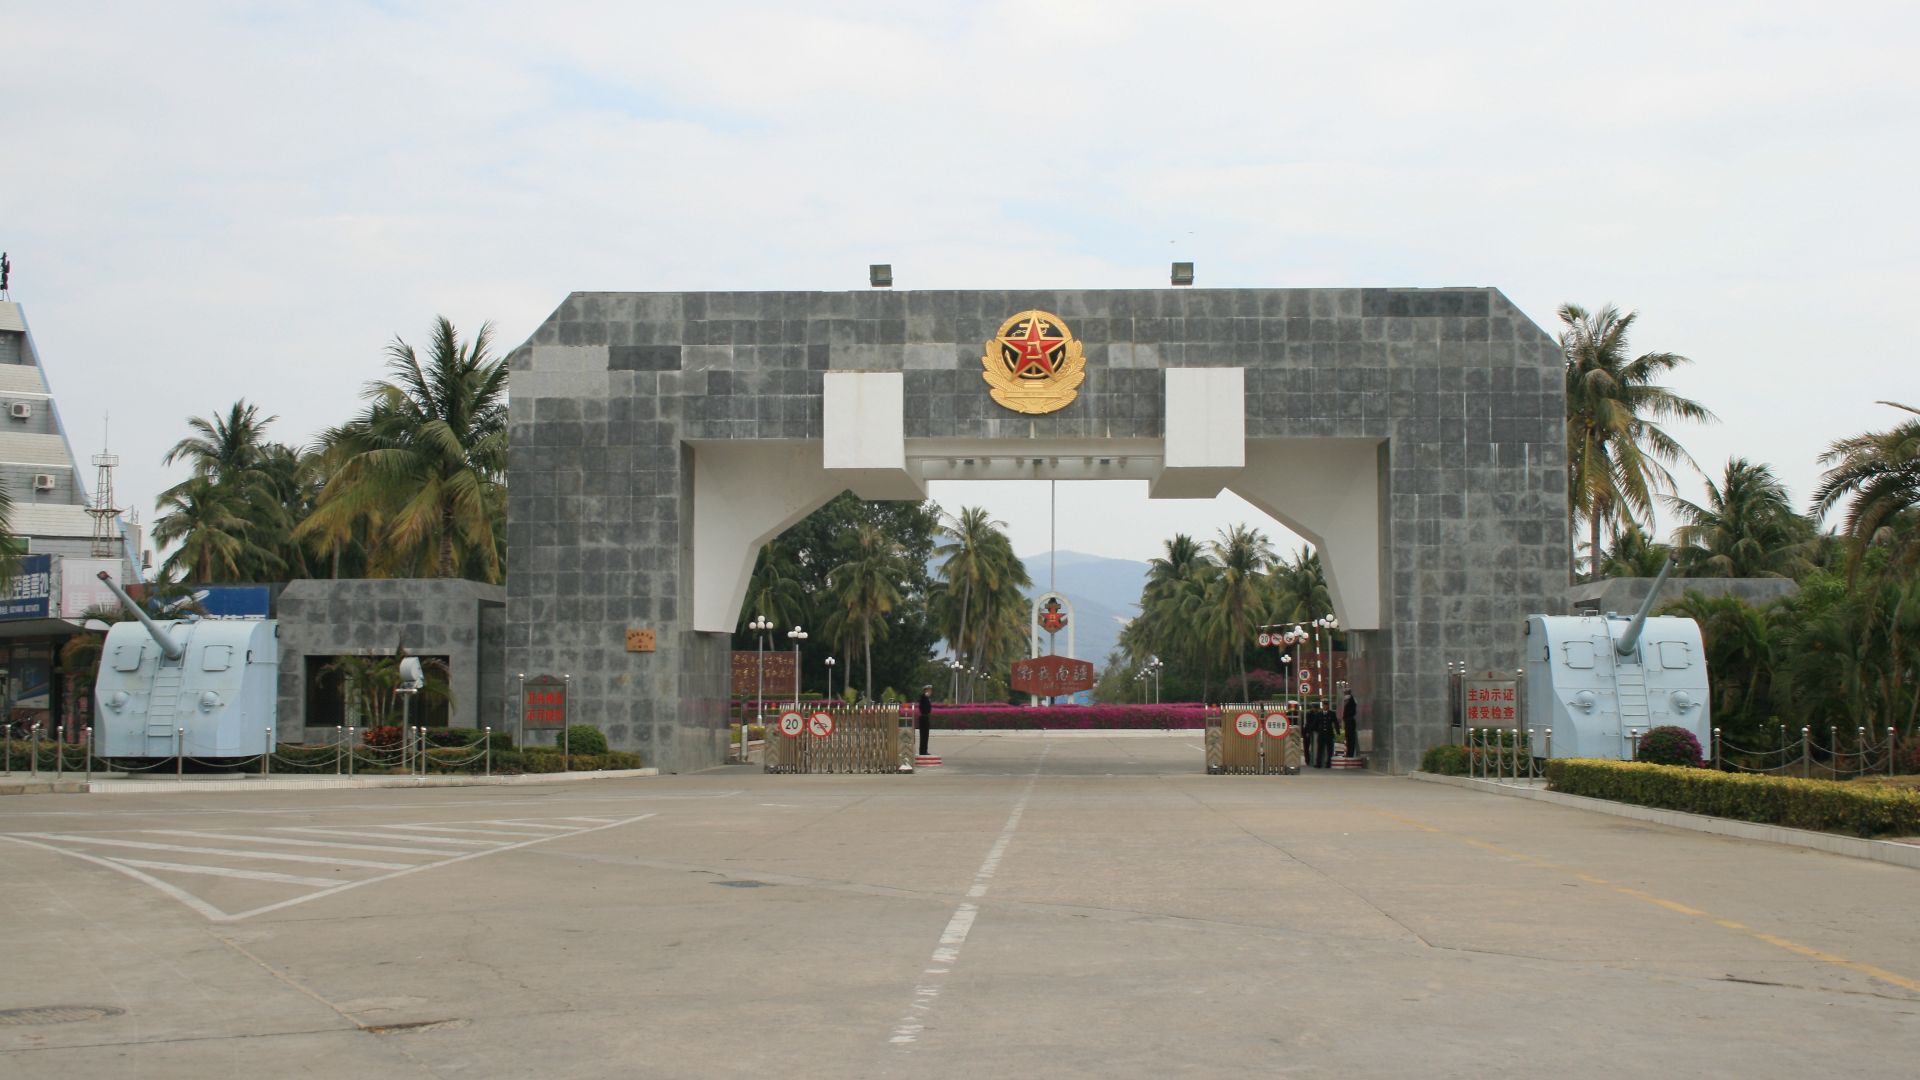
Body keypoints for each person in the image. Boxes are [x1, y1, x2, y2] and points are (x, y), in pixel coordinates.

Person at [917, 685, 934, 756]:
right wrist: (925, 695)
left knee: (926, 735)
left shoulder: (926, 698)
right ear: (926, 690)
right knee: (923, 735)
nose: (931, 692)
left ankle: (925, 750)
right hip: (923, 718)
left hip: (926, 717)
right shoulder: (923, 697)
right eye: (929, 690)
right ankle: (922, 751)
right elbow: (922, 705)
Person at [1342, 692, 1358, 759]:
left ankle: (1350, 753)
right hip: (1348, 724)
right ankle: (1349, 753)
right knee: (1349, 740)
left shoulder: (1350, 706)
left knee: (1350, 740)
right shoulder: (1350, 705)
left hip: (1349, 725)